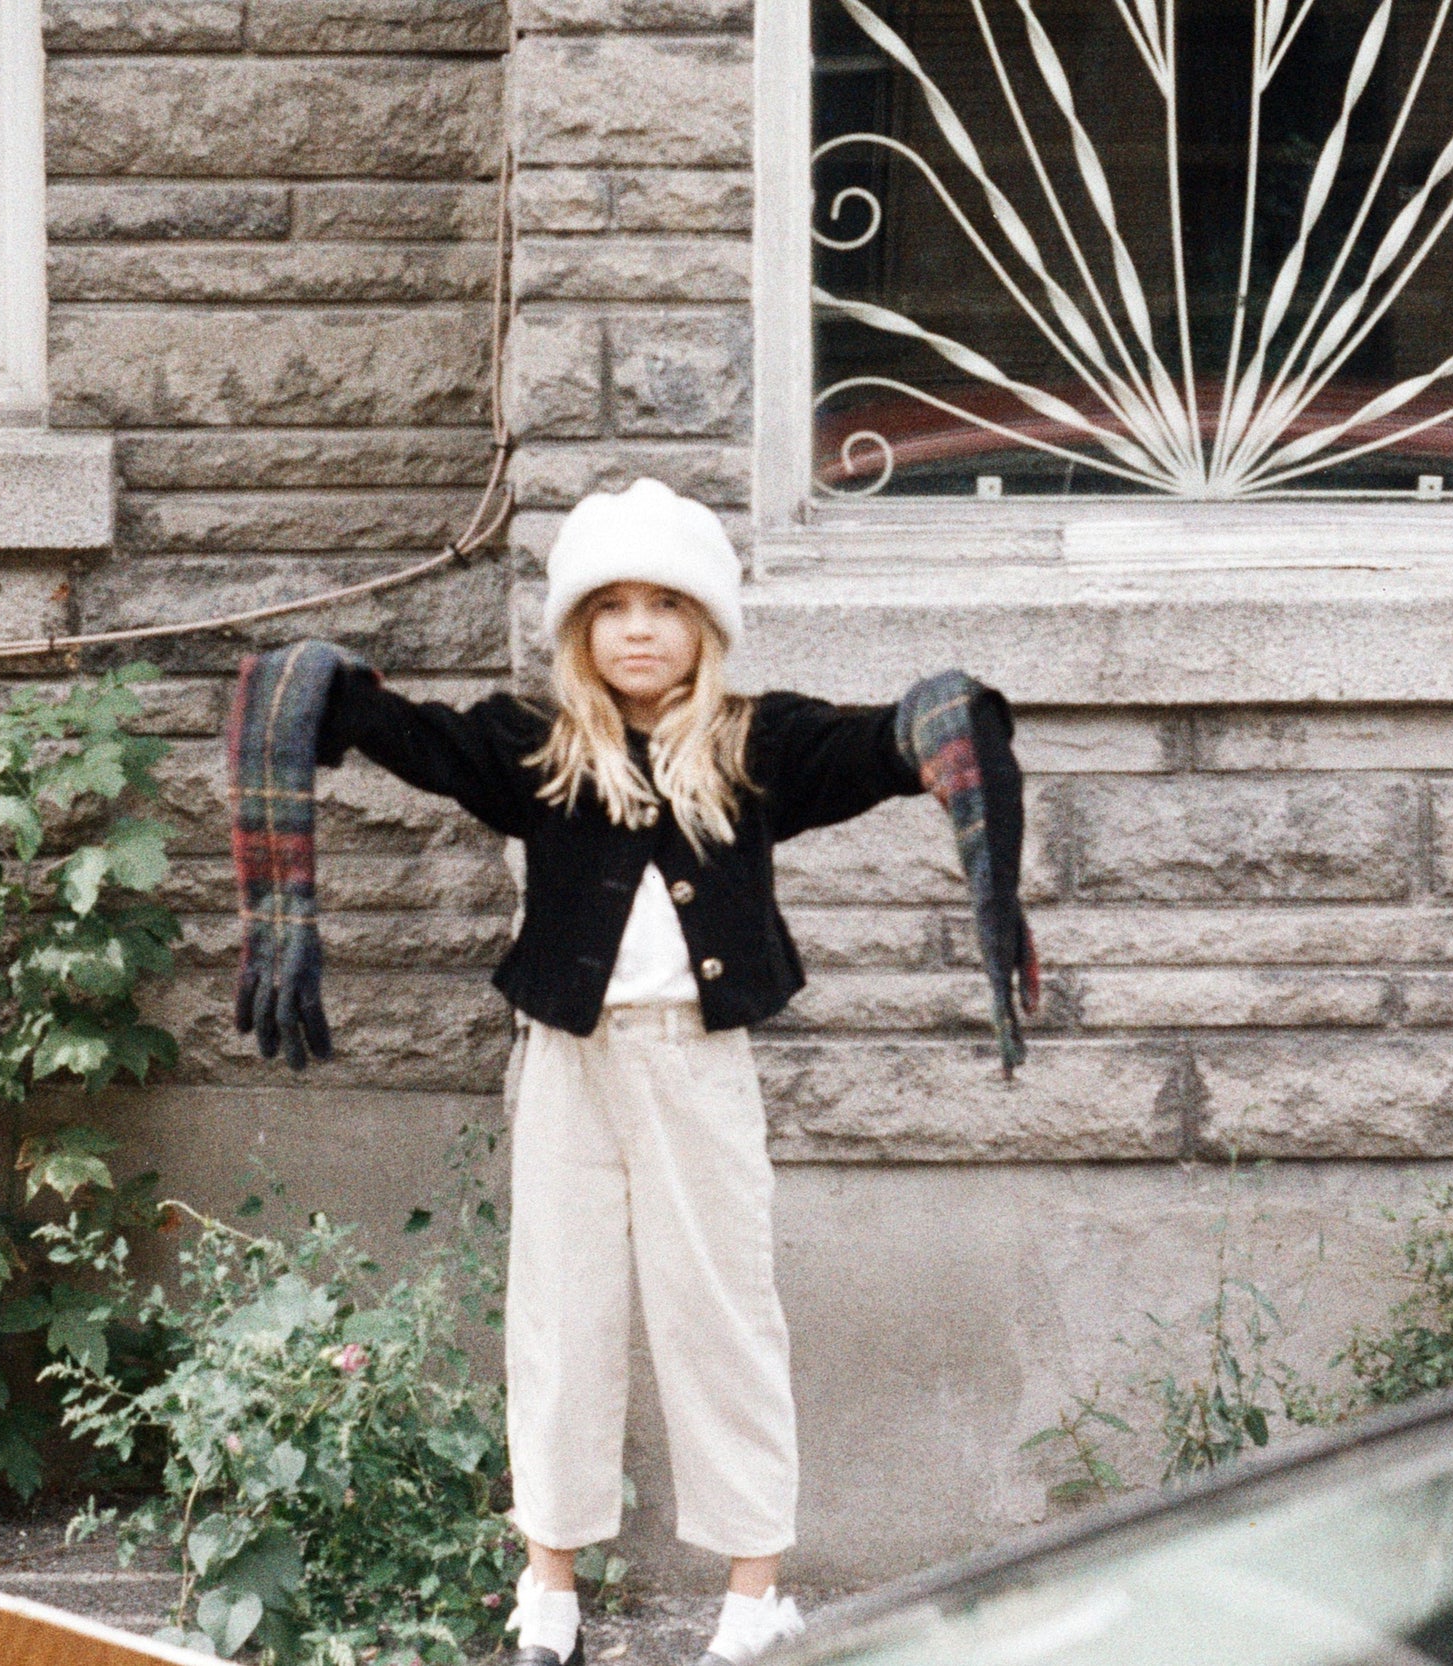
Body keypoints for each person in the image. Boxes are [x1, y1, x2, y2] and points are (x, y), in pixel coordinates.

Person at [241, 478, 1029, 1666]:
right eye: (610, 606)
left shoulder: (757, 745)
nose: (638, 628)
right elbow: (406, 735)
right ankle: (548, 1587)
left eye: (665, 603)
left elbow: (881, 744)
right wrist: (319, 686)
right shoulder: (538, 750)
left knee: (721, 1318)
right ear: (578, 628)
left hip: (698, 1069)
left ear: (705, 624)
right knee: (559, 1319)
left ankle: (754, 1595)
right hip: (569, 1064)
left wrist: (946, 719)